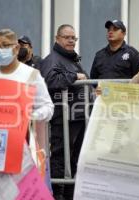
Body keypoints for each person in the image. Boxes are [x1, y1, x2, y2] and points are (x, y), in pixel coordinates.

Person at [39, 24, 89, 200]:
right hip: (63, 118)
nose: (70, 41)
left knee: (75, 159)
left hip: (78, 117)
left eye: (73, 38)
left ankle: (70, 195)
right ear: (57, 38)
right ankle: (57, 195)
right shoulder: (52, 59)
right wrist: (74, 77)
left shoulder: (72, 59)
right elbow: (51, 80)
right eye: (67, 37)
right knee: (60, 158)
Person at [0, 28, 54, 122]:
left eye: (6, 45)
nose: (1, 50)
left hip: (19, 133)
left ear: (17, 48)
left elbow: (47, 107)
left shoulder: (32, 75)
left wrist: (32, 116)